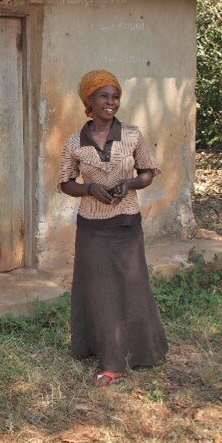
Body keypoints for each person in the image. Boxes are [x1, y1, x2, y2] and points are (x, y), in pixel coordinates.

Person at [57, 69, 168, 388]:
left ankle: (143, 352)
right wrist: (89, 189)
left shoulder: (132, 135)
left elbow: (148, 172)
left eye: (115, 96)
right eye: (104, 96)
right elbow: (65, 183)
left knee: (133, 284)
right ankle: (108, 360)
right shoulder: (75, 141)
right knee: (99, 289)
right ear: (89, 101)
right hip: (92, 226)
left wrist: (130, 183)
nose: (111, 102)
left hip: (126, 222)